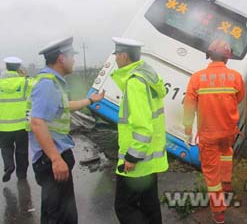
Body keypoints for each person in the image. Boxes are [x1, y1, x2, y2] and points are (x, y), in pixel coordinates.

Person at [27, 37, 104, 224]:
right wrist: (55, 158)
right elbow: (37, 122)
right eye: (72, 56)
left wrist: (91, 100)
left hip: (54, 157)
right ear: (62, 58)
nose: (74, 60)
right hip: (51, 159)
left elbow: (64, 106)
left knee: (61, 213)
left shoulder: (53, 82)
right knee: (58, 216)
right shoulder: (48, 84)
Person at [183, 39, 245, 224]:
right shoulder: (235, 76)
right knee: (226, 153)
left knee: (211, 174)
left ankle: (218, 213)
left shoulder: (197, 78)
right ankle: (226, 184)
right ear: (227, 58)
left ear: (209, 55)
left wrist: (188, 130)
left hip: (208, 134)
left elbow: (188, 106)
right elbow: (238, 98)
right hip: (228, 132)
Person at [110, 37, 169, 224]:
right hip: (150, 159)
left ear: (124, 56)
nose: (116, 60)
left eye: (117, 55)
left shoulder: (135, 83)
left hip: (138, 161)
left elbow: (143, 126)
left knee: (124, 206)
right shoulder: (147, 78)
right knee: (149, 205)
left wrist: (132, 156)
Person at [0, 57, 30, 182]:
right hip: (21, 125)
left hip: (3, 125)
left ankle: (9, 166)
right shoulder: (25, 82)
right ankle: (22, 175)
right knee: (22, 150)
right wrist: (25, 76)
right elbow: (36, 88)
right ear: (18, 68)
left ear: (6, 67)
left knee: (6, 147)